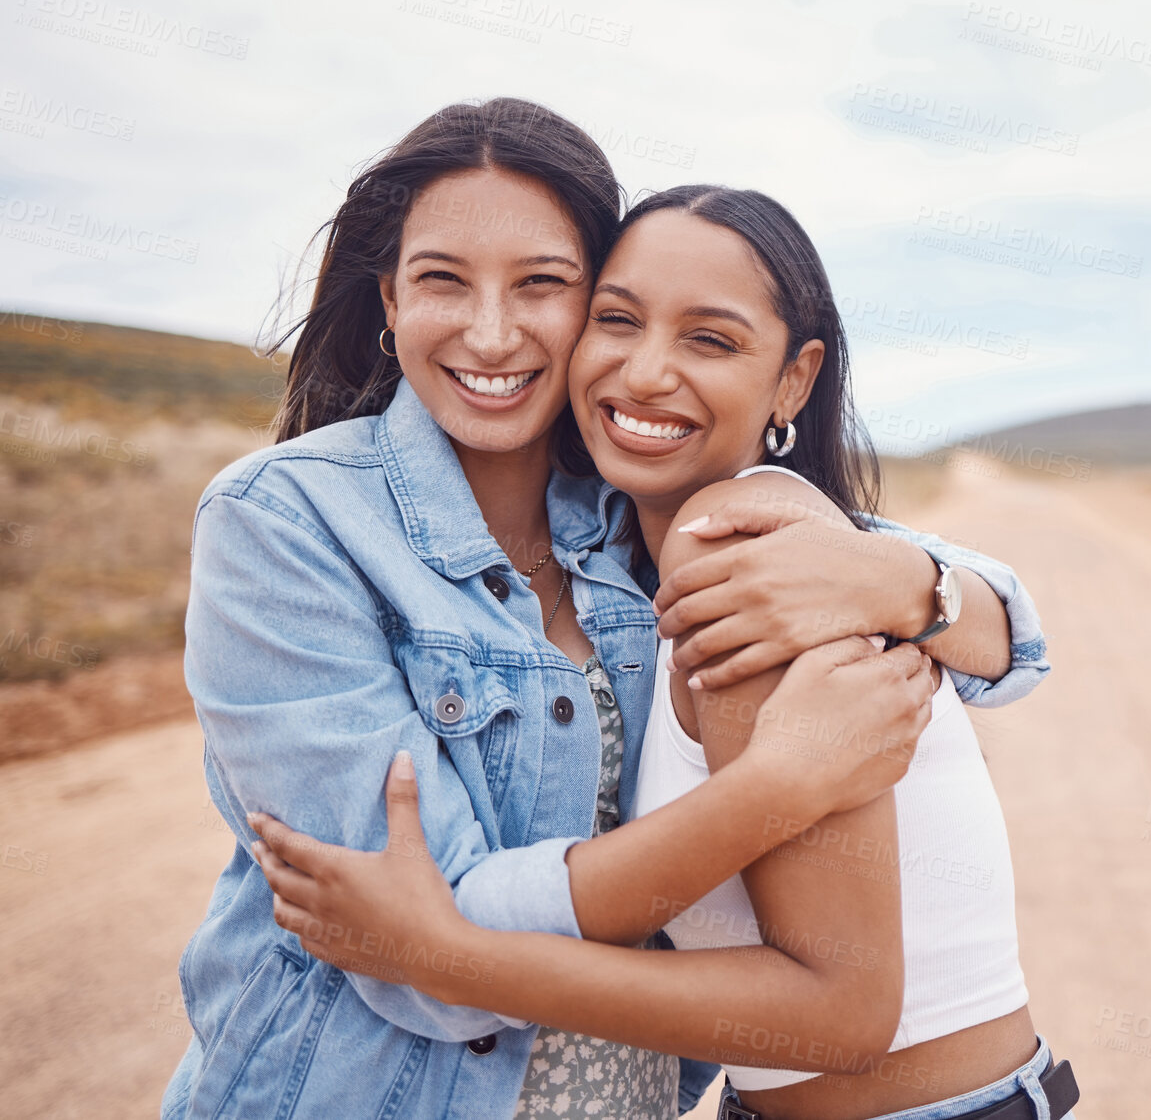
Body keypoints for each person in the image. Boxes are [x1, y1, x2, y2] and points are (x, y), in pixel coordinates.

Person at [163, 99, 1050, 1120]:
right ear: (390, 301)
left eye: (544, 284)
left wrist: (902, 581)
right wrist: (775, 785)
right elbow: (410, 944)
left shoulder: (648, 522)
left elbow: (1007, 634)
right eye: (442, 278)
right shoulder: (287, 519)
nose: (492, 332)